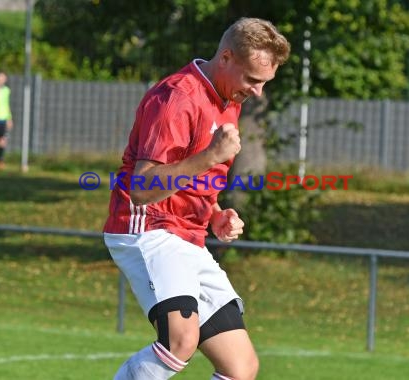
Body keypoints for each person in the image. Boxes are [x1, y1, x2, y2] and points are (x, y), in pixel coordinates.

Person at [103, 17, 290, 380]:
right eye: (252, 80)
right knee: (180, 341)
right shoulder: (177, 97)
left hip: (188, 234)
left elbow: (193, 178)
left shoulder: (227, 96)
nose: (258, 92)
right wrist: (211, 156)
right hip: (149, 226)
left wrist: (214, 213)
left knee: (241, 367)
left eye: (265, 83)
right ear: (226, 58)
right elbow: (142, 189)